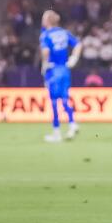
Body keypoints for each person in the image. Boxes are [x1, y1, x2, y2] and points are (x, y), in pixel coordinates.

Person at [39, 10, 82, 142]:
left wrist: (44, 65)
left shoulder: (45, 35)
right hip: (65, 69)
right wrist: (74, 58)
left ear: (47, 21)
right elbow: (78, 44)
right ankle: (72, 123)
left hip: (53, 70)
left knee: (53, 101)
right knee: (64, 99)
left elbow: (46, 51)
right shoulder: (64, 32)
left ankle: (57, 132)